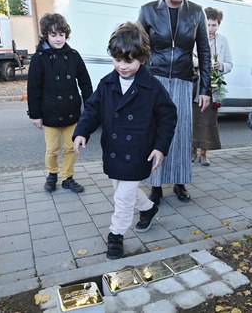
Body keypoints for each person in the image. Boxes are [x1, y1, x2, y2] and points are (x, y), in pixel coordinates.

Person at [72, 22, 177, 260]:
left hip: (140, 152)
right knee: (120, 190)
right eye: (117, 60)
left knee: (122, 197)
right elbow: (92, 109)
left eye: (129, 61)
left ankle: (116, 236)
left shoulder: (152, 87)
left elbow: (168, 117)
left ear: (142, 59)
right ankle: (150, 209)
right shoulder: (107, 83)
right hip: (114, 150)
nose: (122, 66)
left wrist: (161, 147)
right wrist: (82, 132)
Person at [138, 0, 211, 204]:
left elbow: (204, 52)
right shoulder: (148, 10)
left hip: (182, 81)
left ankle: (179, 182)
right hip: (154, 80)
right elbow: (138, 50)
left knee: (180, 134)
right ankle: (155, 186)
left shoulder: (196, 12)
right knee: (155, 132)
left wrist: (205, 88)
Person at [27, 13, 93, 193]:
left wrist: (90, 107)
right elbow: (33, 88)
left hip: (72, 112)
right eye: (54, 34)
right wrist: (35, 115)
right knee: (53, 148)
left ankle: (68, 177)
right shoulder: (39, 57)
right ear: (46, 35)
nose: (58, 38)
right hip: (49, 113)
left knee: (71, 147)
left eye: (61, 34)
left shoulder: (73, 55)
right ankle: (52, 174)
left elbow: (85, 82)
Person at [192, 7, 232, 166]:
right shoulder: (195, 38)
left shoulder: (223, 41)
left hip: (214, 87)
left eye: (214, 25)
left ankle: (204, 153)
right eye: (208, 25)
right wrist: (201, 63)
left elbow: (230, 64)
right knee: (194, 120)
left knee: (208, 121)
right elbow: (188, 59)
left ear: (219, 25)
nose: (210, 28)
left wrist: (220, 65)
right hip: (196, 85)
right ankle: (192, 150)